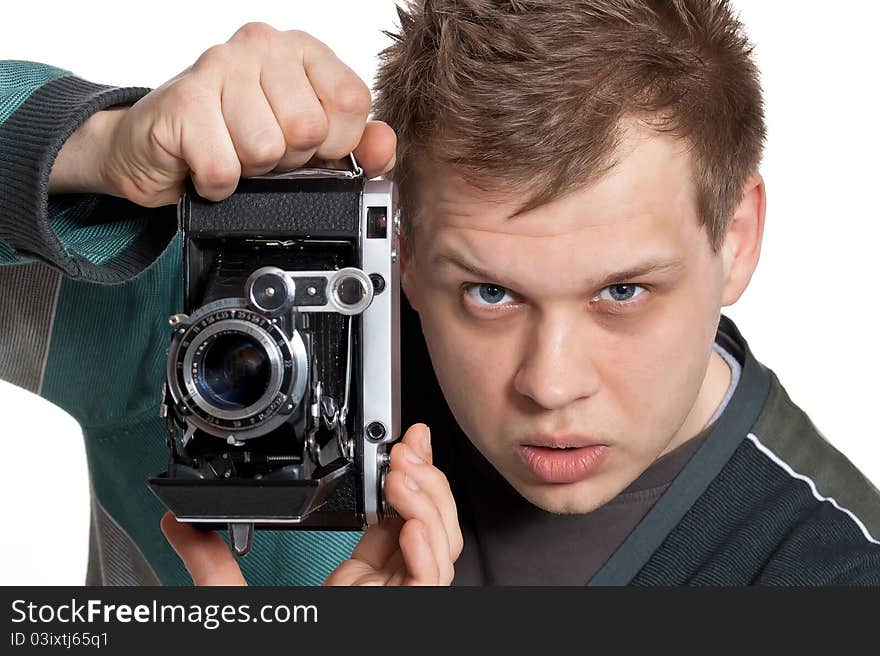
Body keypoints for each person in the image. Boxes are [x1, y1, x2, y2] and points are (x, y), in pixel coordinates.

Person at [1, 0, 878, 586]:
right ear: (404, 250)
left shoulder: (833, 574)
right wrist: (90, 145)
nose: (551, 383)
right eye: (490, 293)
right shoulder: (230, 344)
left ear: (735, 240)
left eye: (622, 292)